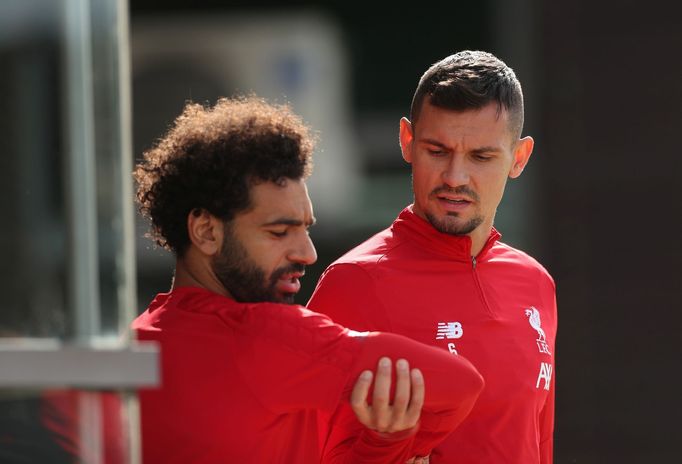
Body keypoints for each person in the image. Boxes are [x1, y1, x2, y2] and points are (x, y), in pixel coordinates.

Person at [131, 96, 484, 463]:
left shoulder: (131, 344)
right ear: (205, 231)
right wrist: (392, 445)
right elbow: (460, 384)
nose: (307, 253)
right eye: (280, 232)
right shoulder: (265, 335)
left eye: (305, 229)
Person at [307, 51, 557, 463]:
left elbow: (538, 446)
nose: (455, 178)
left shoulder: (535, 283)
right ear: (407, 141)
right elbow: (299, 448)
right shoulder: (354, 282)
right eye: (437, 151)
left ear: (519, 158)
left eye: (481, 156)